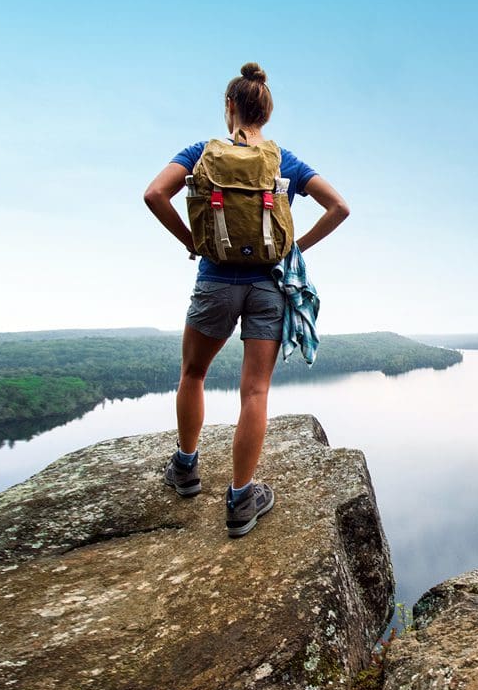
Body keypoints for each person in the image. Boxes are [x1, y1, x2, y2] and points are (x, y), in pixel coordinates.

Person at [143, 62, 349, 538]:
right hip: (268, 287)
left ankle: (187, 469)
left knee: (193, 373)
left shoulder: (202, 153)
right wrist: (296, 247)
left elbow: (155, 194)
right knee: (254, 392)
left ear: (230, 107)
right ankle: (240, 501)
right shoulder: (284, 161)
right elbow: (340, 206)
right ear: (267, 114)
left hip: (215, 280)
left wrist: (190, 240)